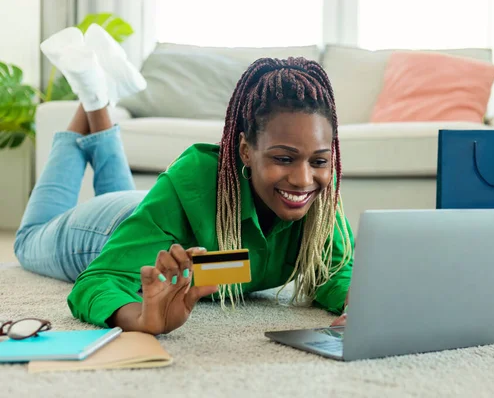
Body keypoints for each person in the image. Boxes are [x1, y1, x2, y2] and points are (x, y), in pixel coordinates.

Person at [15, 26, 354, 336]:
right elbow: (100, 280)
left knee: (128, 197)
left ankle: (100, 93)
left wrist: (360, 304)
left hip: (149, 208)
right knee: (28, 241)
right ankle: (92, 93)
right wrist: (142, 319)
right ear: (246, 151)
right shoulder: (196, 179)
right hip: (102, 230)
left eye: (319, 161)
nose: (303, 178)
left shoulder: (319, 193)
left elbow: (335, 271)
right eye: (283, 158)